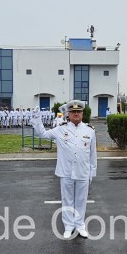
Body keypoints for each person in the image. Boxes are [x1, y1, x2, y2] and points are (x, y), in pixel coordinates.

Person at [31, 100, 97, 239]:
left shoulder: (90, 131)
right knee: (67, 200)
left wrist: (92, 172)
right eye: (73, 112)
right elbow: (42, 134)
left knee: (81, 200)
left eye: (78, 112)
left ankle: (79, 225)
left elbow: (93, 154)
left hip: (83, 172)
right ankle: (68, 226)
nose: (76, 114)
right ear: (69, 114)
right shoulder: (60, 129)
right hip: (66, 171)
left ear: (82, 113)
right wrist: (37, 117)